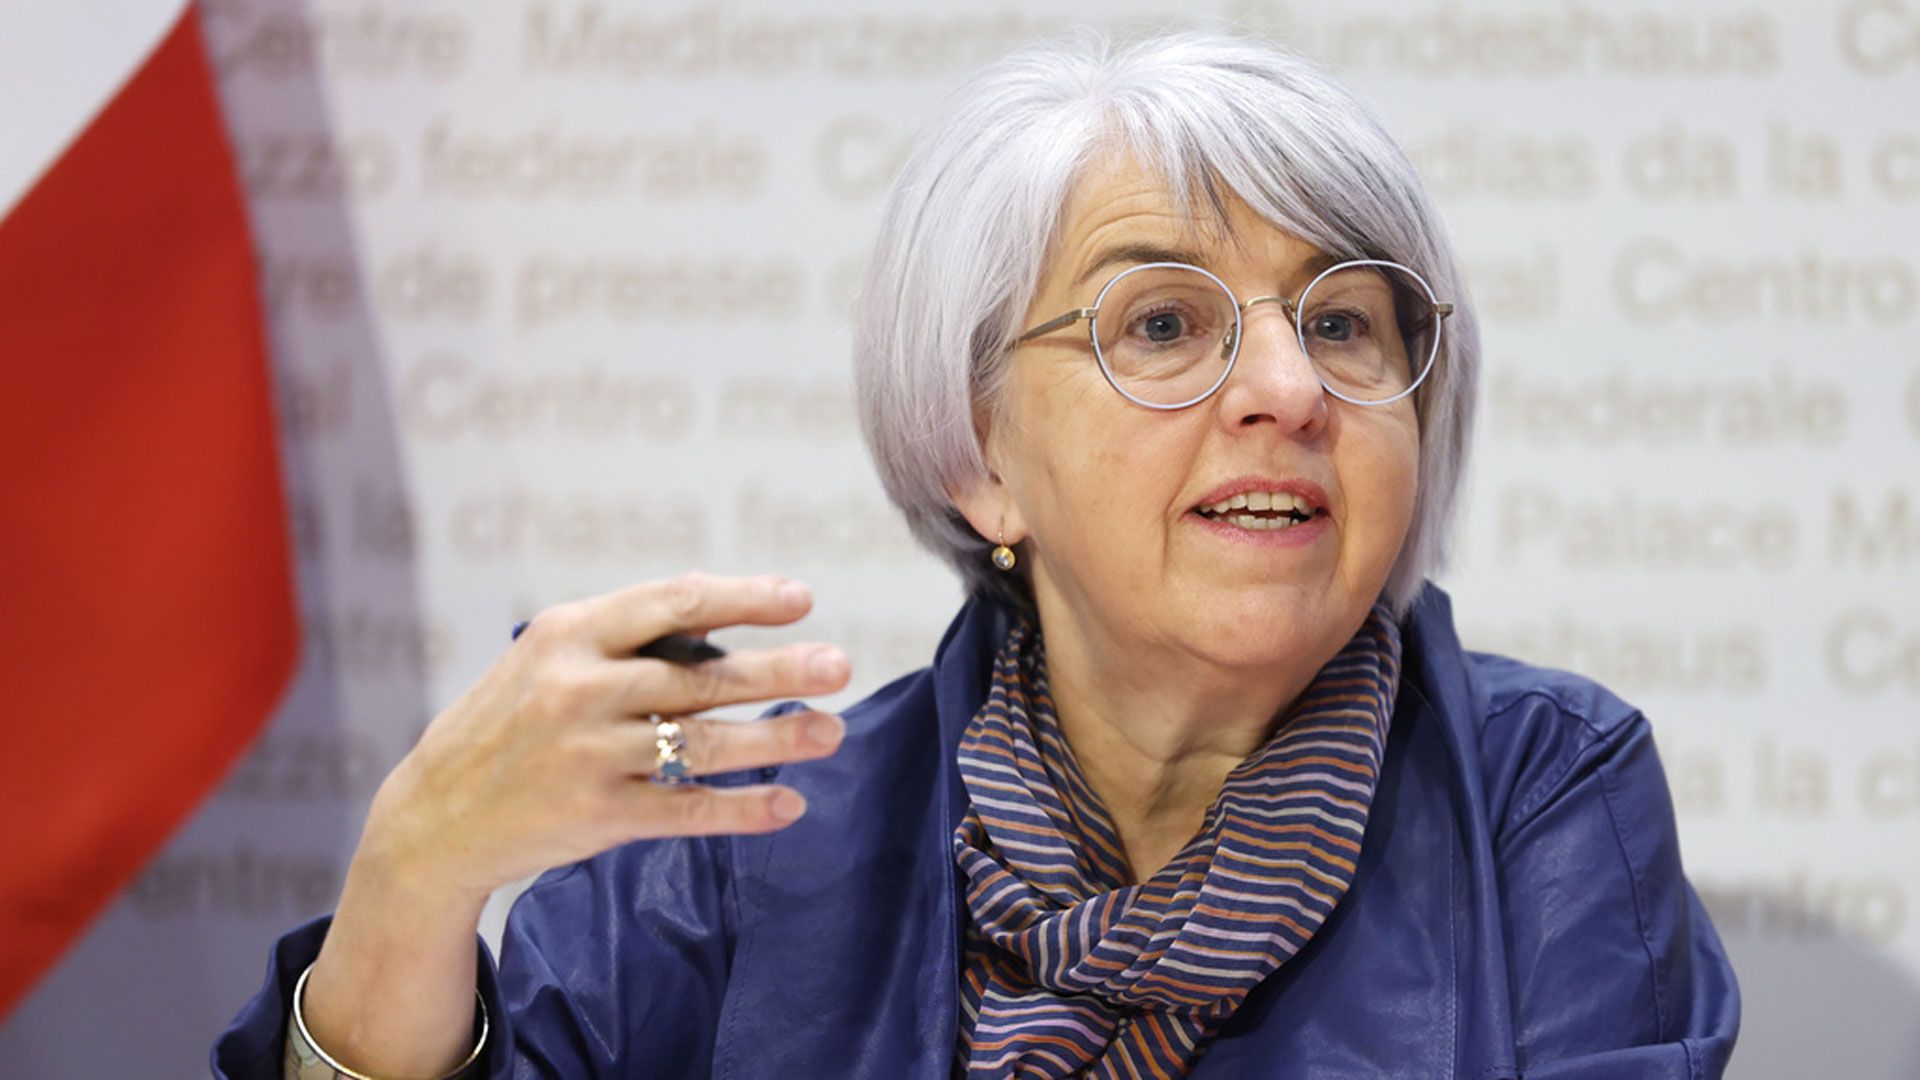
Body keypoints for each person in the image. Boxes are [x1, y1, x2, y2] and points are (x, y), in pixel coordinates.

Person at [215, 31, 1739, 1079]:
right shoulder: (732, 854)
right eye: (1163, 323)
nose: (1287, 388)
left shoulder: (1545, 794)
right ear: (976, 454)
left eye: (1343, 321)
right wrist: (414, 873)